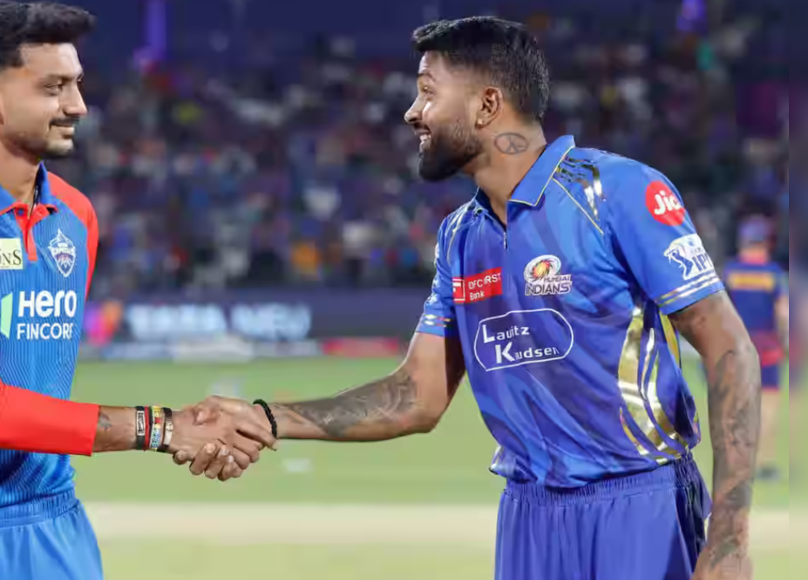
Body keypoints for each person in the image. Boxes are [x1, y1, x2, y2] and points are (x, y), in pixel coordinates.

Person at [180, 17, 760, 580]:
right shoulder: (461, 236)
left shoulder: (616, 193)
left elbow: (730, 348)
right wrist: (266, 419)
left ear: (486, 105)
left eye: (427, 92)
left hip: (640, 508)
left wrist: (730, 539)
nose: (412, 112)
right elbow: (418, 395)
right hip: (528, 519)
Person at [0, 3, 272, 579]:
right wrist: (162, 427)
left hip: (58, 527)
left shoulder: (76, 216)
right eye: (53, 88)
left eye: (77, 84)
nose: (77, 106)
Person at [723, 216, 789, 481]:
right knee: (768, 403)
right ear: (765, 243)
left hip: (738, 344)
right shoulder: (773, 273)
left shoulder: (731, 271)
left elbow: (720, 310)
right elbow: (783, 311)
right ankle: (764, 463)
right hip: (767, 345)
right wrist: (786, 340)